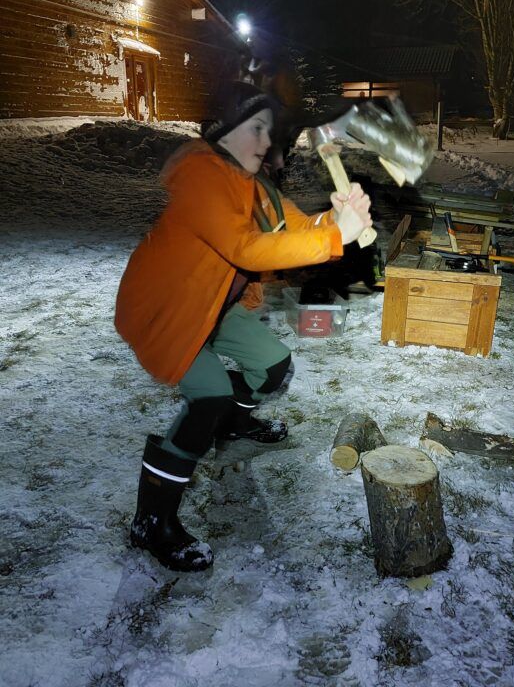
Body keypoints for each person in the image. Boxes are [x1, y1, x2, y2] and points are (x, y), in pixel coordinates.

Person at [114, 81, 373, 572]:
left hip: (216, 305)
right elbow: (246, 249)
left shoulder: (254, 188)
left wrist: (335, 221)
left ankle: (233, 426)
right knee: (209, 394)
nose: (266, 141)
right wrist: (335, 236)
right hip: (166, 312)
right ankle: (152, 522)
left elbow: (295, 229)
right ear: (222, 132)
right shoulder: (201, 177)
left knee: (273, 365)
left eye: (268, 131)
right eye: (256, 128)